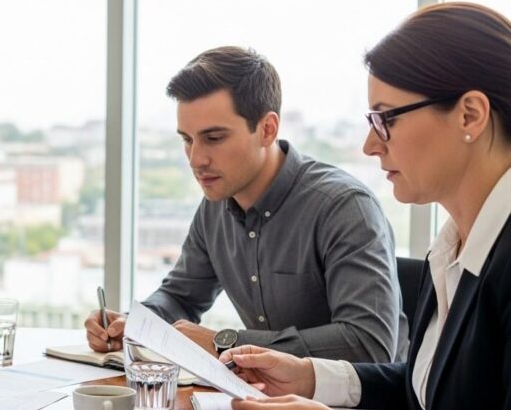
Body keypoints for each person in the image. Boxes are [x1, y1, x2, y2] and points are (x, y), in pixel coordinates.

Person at [222, 2, 511, 410]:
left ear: (470, 115)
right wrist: (311, 377)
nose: (370, 144)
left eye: (386, 118)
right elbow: (433, 392)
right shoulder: (453, 247)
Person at [85, 46, 407, 364]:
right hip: (263, 394)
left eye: (214, 138)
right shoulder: (215, 205)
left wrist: (226, 344)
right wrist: (134, 324)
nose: (196, 159)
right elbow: (180, 297)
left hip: (361, 398)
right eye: (187, 139)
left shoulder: (344, 208)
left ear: (267, 129)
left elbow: (368, 345)